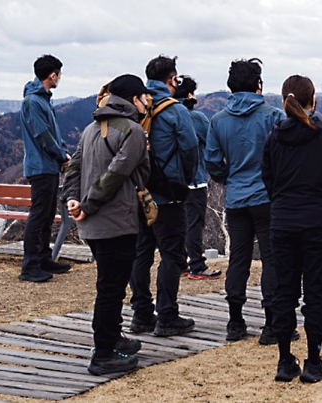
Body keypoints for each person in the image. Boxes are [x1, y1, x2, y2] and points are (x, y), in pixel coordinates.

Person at [61, 74, 150, 375]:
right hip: (117, 221)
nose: (148, 102)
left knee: (109, 284)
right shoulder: (133, 131)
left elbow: (73, 168)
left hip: (93, 225)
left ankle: (113, 340)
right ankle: (103, 354)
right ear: (133, 99)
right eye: (144, 97)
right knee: (111, 289)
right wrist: (87, 205)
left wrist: (74, 201)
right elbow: (116, 174)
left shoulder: (90, 128)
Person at [262, 75, 322, 382]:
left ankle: (285, 360)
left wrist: (282, 205)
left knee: (284, 291)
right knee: (316, 293)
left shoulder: (274, 137)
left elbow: (267, 179)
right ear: (313, 102)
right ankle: (313, 360)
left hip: (282, 221)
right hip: (318, 222)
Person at [205, 58, 287, 343]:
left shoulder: (218, 120)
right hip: (267, 197)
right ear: (258, 84)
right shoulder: (273, 116)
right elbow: (283, 159)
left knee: (238, 259)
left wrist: (230, 178)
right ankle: (271, 323)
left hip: (237, 197)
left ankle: (235, 321)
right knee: (271, 259)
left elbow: (213, 161)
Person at [129, 55, 198, 336]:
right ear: (172, 80)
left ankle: (141, 314)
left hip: (139, 192)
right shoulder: (175, 110)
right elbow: (190, 148)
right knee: (172, 255)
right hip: (168, 195)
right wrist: (185, 180)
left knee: (141, 253)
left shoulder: (136, 106)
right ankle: (167, 314)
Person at [19, 54, 71, 282]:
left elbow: (51, 134)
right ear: (53, 75)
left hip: (48, 166)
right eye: (59, 74)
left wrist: (61, 153)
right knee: (39, 215)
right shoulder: (33, 102)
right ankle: (30, 265)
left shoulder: (42, 100)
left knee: (47, 213)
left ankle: (43, 258)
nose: (60, 77)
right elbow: (43, 136)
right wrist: (61, 155)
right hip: (41, 166)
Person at [174, 75, 221, 280]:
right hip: (195, 179)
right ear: (190, 95)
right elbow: (210, 142)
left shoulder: (165, 115)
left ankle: (180, 262)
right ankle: (197, 265)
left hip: (172, 180)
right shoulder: (197, 118)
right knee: (195, 223)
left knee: (178, 223)